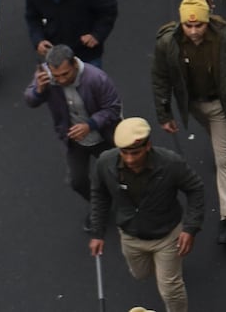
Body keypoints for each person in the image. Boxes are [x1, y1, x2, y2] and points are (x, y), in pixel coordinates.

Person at [151, 0, 226, 247]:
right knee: (217, 139)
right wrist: (164, 114)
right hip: (193, 105)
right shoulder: (167, 43)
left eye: (198, 25)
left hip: (221, 105)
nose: (193, 31)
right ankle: (224, 143)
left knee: (224, 160)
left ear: (207, 21)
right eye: (188, 25)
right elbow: (160, 78)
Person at [88, 117, 206, 312]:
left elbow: (196, 188)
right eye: (124, 153)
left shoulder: (171, 163)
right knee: (140, 274)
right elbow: (99, 195)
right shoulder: (105, 164)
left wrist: (190, 228)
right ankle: (165, 268)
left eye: (135, 153)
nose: (130, 159)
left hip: (167, 235)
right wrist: (97, 232)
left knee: (170, 289)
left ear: (148, 146)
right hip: (130, 236)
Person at [26, 43, 122, 205]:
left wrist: (90, 125)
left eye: (65, 74)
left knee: (118, 173)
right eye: (56, 76)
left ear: (75, 64)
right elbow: (30, 100)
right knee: (77, 182)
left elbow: (113, 109)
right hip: (74, 140)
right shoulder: (45, 76)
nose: (61, 80)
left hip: (104, 136)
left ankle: (126, 203)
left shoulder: (97, 78)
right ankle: (100, 206)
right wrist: (38, 91)